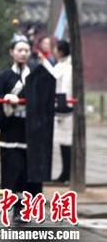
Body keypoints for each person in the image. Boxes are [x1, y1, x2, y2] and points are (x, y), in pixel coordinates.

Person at [0, 35, 45, 223]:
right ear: (11, 52)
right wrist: (8, 103)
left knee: (31, 175)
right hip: (11, 133)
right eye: (19, 50)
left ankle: (29, 209)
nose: (23, 53)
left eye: (26, 50)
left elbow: (45, 102)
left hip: (33, 134)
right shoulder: (2, 77)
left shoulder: (38, 75)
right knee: (14, 173)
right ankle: (15, 209)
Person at [52, 40, 73, 182]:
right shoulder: (60, 65)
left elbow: (65, 88)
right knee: (62, 141)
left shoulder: (68, 67)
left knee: (66, 141)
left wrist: (62, 105)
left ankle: (67, 174)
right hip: (60, 106)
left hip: (65, 108)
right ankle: (65, 173)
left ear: (60, 51)